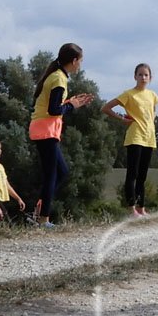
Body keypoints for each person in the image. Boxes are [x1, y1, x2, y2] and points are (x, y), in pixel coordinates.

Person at [29, 43, 94, 228]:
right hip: (45, 131)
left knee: (61, 172)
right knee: (53, 174)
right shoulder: (59, 79)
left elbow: (53, 106)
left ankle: (39, 213)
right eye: (80, 61)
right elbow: (54, 110)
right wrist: (72, 106)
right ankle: (43, 219)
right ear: (74, 61)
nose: (80, 65)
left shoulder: (57, 76)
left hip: (43, 129)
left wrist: (71, 102)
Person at [102, 63, 158, 217]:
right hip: (135, 137)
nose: (143, 77)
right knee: (132, 174)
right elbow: (106, 108)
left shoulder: (153, 95)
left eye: (146, 75)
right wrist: (121, 118)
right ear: (135, 77)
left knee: (142, 175)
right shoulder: (129, 94)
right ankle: (131, 208)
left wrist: (151, 120)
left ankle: (141, 208)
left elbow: (154, 111)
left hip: (149, 138)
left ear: (150, 78)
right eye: (140, 74)